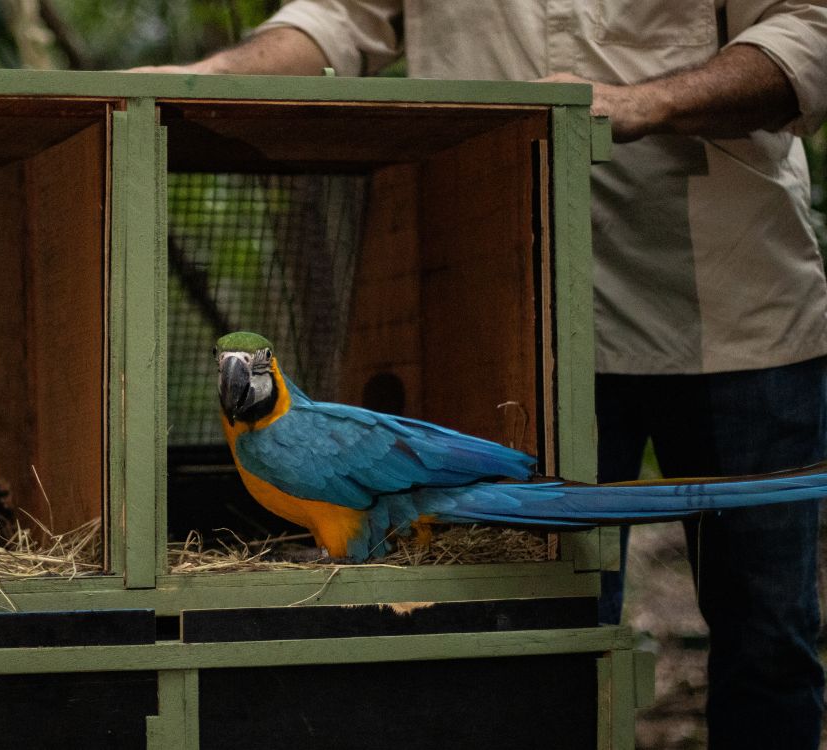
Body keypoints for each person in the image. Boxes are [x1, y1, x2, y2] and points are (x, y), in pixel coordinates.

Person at [136, 2, 827, 747]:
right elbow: (340, 18)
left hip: (734, 306)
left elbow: (809, 29)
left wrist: (640, 102)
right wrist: (206, 76)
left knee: (767, 635)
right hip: (518, 327)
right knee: (541, 636)